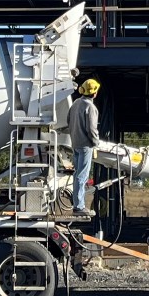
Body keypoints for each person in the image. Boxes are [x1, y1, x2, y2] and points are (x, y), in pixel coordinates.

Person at [67, 78, 102, 218]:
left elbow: (68, 121)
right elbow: (92, 129)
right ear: (94, 93)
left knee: (77, 175)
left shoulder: (76, 103)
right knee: (82, 176)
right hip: (86, 145)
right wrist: (96, 143)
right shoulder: (91, 108)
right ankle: (79, 206)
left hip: (75, 143)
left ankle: (77, 203)